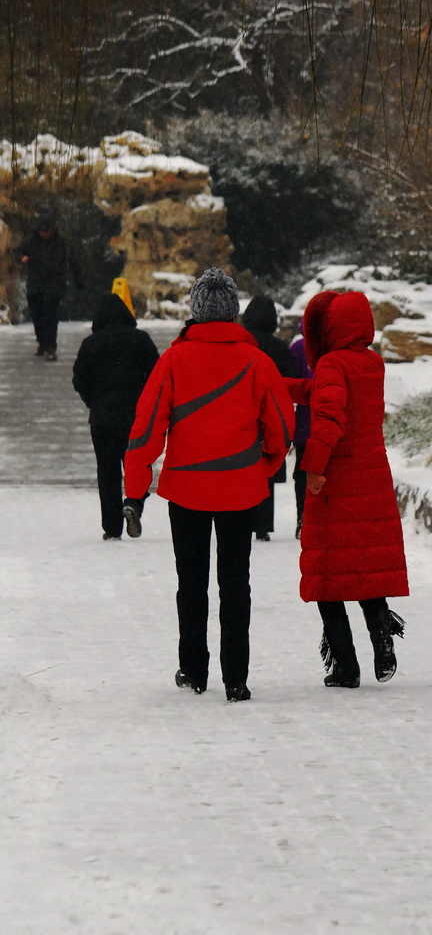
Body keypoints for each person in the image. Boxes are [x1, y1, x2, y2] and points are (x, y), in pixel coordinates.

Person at [123, 268, 294, 703]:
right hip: (240, 490)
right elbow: (281, 426)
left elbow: (145, 431)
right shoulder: (256, 361)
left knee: (191, 580)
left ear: (195, 312)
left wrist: (135, 489)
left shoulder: (174, 361)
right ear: (233, 311)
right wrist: (265, 465)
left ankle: (194, 670)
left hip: (187, 491)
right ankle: (235, 678)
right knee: (237, 583)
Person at [285, 289, 409, 689]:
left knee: (327, 577)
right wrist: (279, 385)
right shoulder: (370, 364)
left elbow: (328, 418)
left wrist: (313, 470)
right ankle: (382, 637)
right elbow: (325, 394)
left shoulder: (332, 364)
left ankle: (345, 666)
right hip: (371, 477)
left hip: (337, 482)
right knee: (363, 571)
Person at [72, 294, 160, 540]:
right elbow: (157, 376)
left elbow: (79, 379)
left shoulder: (91, 344)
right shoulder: (141, 340)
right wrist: (144, 402)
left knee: (107, 472)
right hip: (135, 418)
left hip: (102, 420)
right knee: (138, 466)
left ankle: (112, 528)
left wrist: (94, 401)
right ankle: (133, 504)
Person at [241, 295, 297, 541]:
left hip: (243, 412)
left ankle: (242, 518)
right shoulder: (279, 347)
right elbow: (291, 381)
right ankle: (263, 526)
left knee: (242, 469)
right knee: (267, 469)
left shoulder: (242, 344)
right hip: (270, 413)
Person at [14, 215, 79, 360]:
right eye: (42, 232)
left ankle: (51, 346)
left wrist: (78, 280)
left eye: (47, 232)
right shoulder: (31, 241)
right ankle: (42, 341)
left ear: (51, 231)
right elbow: (17, 251)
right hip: (36, 282)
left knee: (50, 314)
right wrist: (21, 258)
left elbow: (73, 260)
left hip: (54, 281)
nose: (44, 234)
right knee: (37, 314)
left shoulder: (61, 242)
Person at [289, 322, 312, 539]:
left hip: (304, 425)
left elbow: (289, 385)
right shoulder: (333, 349)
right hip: (329, 425)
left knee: (302, 475)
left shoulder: (297, 349)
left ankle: (302, 517)